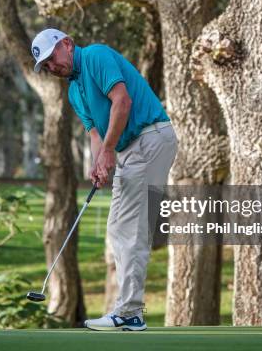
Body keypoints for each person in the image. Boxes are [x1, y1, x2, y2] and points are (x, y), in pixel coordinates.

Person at [31, 28, 178, 331]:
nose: (51, 67)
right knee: (118, 227)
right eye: (45, 65)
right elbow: (95, 133)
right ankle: (129, 311)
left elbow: (121, 101)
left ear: (68, 44)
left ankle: (129, 311)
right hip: (132, 147)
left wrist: (110, 151)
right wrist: (100, 163)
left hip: (149, 138)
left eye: (51, 58)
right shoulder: (74, 90)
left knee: (129, 227)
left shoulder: (96, 55)